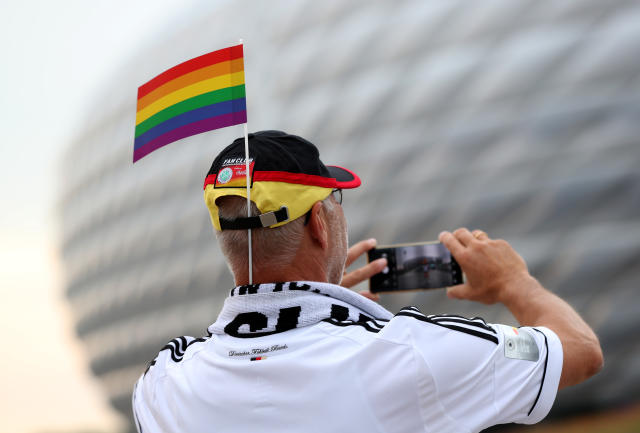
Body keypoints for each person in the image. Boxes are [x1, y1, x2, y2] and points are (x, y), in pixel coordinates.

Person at [132, 130, 603, 433]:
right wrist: (514, 283)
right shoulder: (411, 351)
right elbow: (579, 352)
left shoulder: (164, 382)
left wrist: (337, 314)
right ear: (319, 221)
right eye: (337, 198)